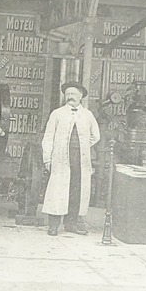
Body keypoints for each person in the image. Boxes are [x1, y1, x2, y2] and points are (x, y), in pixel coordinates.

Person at [40, 82, 101, 236]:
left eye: (73, 94)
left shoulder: (88, 115)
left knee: (76, 190)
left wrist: (83, 146)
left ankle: (71, 224)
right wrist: (47, 159)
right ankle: (53, 225)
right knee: (58, 191)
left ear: (81, 96)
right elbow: (48, 137)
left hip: (80, 160)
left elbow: (96, 136)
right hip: (60, 159)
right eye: (68, 94)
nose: (70, 97)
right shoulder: (57, 114)